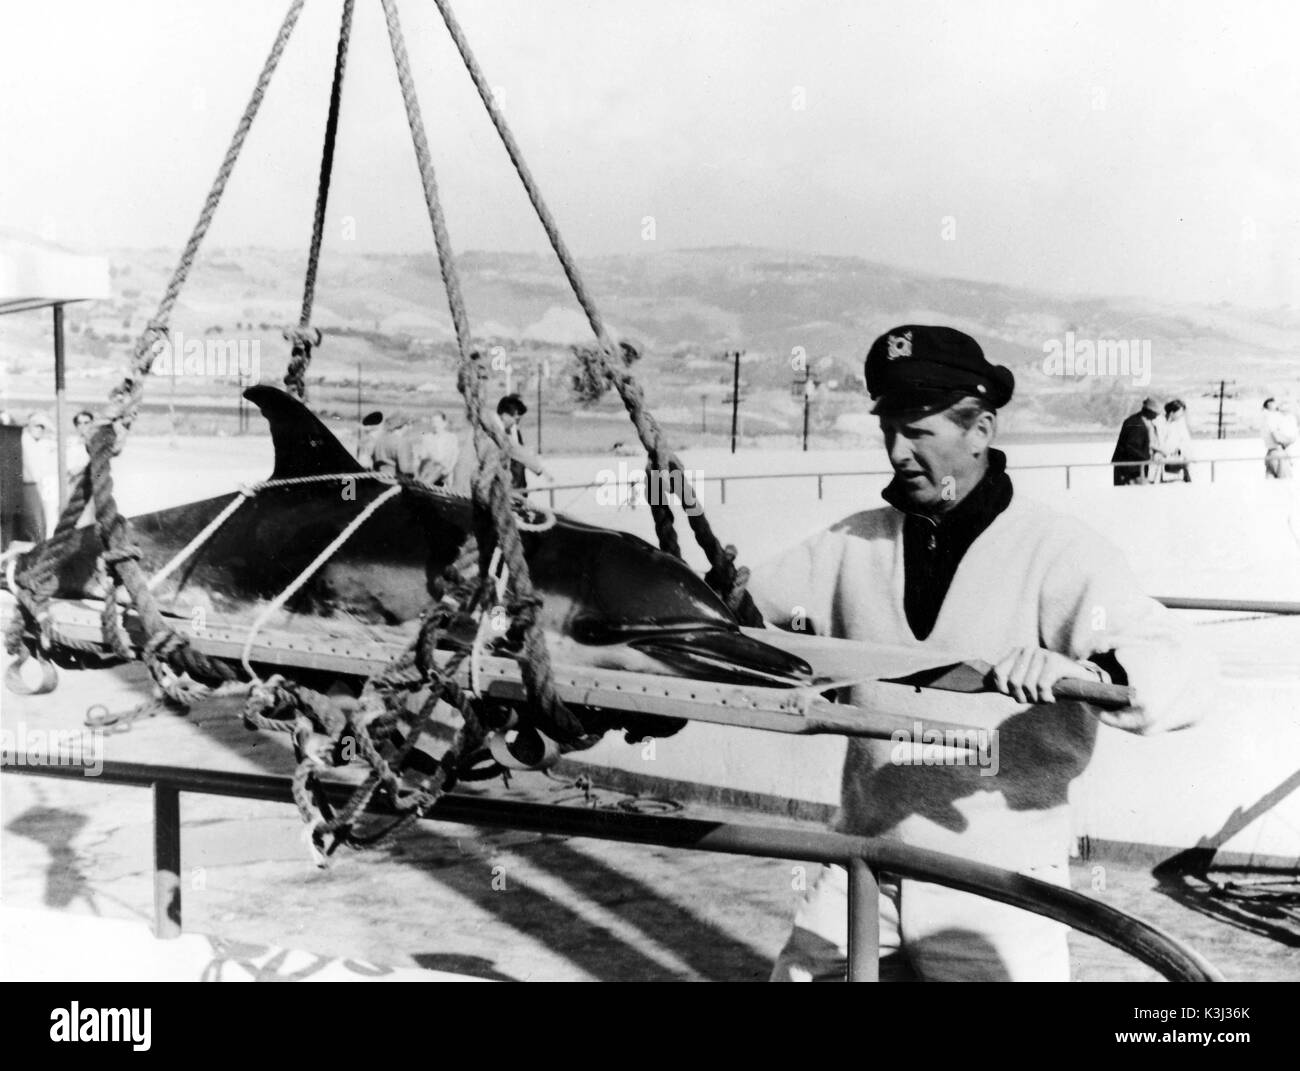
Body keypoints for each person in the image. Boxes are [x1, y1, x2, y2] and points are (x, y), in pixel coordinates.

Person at [749, 325, 1208, 982]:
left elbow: (1178, 664)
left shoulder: (1056, 549)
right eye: (890, 428)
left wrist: (1085, 671)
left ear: (981, 429)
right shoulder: (853, 544)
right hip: (865, 860)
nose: (898, 451)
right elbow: (737, 620)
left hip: (1001, 883)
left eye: (920, 431)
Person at [495, 394, 551, 490]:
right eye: (515, 419)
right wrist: (543, 472)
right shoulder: (495, 431)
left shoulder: (506, 430)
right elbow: (517, 452)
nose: (515, 423)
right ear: (505, 416)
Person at [18, 411, 56, 543]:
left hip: (41, 486)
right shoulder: (23, 439)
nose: (39, 429)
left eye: (42, 427)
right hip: (27, 486)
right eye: (37, 426)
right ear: (29, 426)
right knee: (36, 524)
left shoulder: (43, 443)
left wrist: (48, 425)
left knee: (46, 521)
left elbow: (59, 438)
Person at [1110, 396, 1162, 485]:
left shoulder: (1146, 422)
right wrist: (1148, 458)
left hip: (1138, 467)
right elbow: (1130, 446)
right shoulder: (1134, 423)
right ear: (1148, 411)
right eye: (1155, 413)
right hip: (1129, 469)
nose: (1156, 416)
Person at [414, 411, 460, 488]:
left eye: (438, 422)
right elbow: (423, 456)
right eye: (433, 422)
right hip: (431, 471)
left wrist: (449, 469)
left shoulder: (452, 438)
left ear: (444, 423)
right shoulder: (427, 437)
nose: (435, 425)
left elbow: (455, 455)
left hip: (446, 473)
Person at [1157, 400, 1192, 482]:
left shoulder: (1180, 423)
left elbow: (1186, 441)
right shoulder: (1160, 421)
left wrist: (1181, 450)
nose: (1182, 415)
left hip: (1176, 459)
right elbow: (1159, 440)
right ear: (1172, 412)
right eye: (1180, 412)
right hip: (1161, 458)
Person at [1262, 398, 1296, 479]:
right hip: (1278, 453)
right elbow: (1277, 438)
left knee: (1272, 487)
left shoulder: (1265, 419)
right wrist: (1291, 440)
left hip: (1270, 453)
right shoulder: (1272, 418)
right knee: (1286, 484)